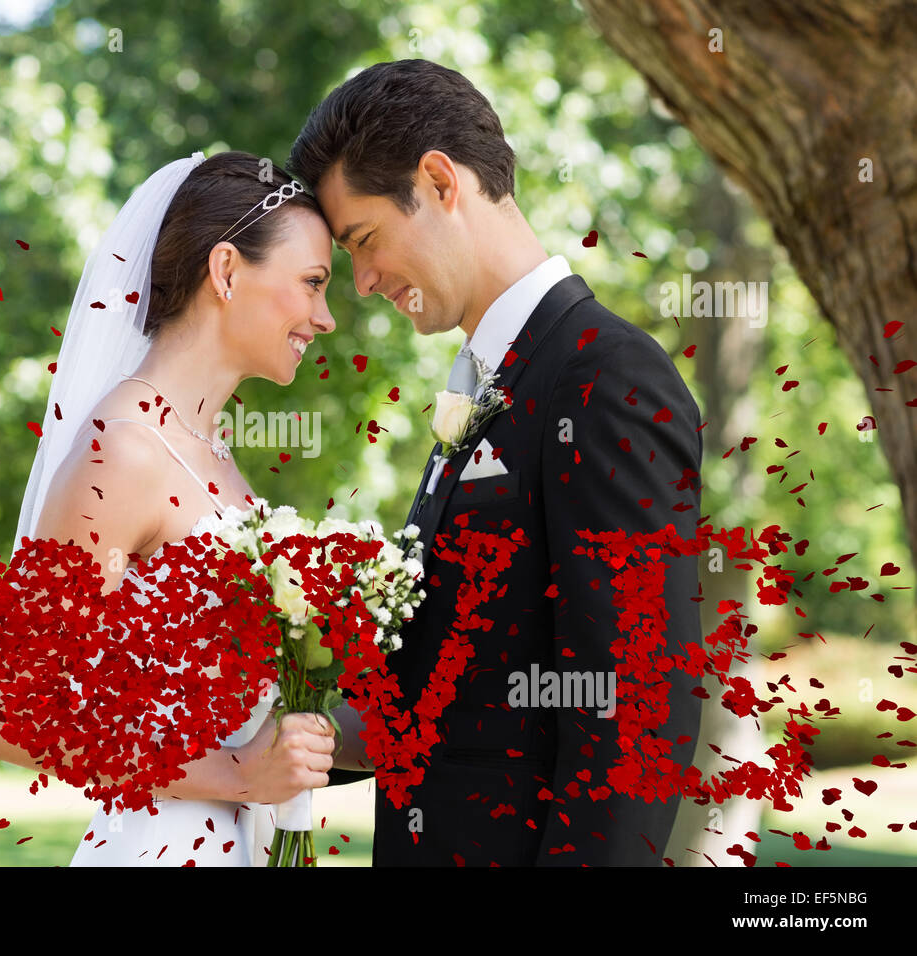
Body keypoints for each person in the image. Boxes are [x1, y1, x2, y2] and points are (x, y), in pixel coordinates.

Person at [288, 59, 704, 865]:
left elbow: (639, 712)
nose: (365, 282)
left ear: (440, 181)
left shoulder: (601, 376)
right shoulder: (490, 380)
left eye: (364, 241)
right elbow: (463, 688)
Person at [0, 150, 339, 866]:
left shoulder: (215, 456)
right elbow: (8, 716)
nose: (325, 318)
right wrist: (237, 775)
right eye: (312, 284)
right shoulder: (128, 448)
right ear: (227, 271)